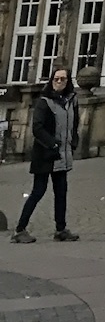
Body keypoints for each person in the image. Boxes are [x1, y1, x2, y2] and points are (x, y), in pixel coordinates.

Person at [12, 67, 80, 243]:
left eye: (62, 79)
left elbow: (74, 123)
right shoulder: (44, 102)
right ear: (51, 81)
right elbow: (37, 128)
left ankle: (61, 229)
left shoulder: (71, 101)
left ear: (68, 81)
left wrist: (74, 140)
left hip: (63, 155)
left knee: (61, 192)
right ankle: (19, 230)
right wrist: (53, 143)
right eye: (56, 79)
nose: (59, 82)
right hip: (45, 154)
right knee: (38, 191)